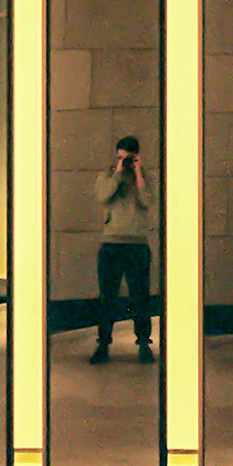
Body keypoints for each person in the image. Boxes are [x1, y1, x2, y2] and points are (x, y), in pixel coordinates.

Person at [91, 136, 157, 364]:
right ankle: (103, 344)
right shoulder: (108, 175)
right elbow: (102, 196)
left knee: (141, 297)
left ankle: (144, 343)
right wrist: (119, 172)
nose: (125, 161)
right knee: (107, 297)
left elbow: (148, 201)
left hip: (137, 244)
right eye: (121, 157)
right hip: (111, 244)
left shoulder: (146, 176)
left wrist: (138, 173)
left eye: (129, 158)